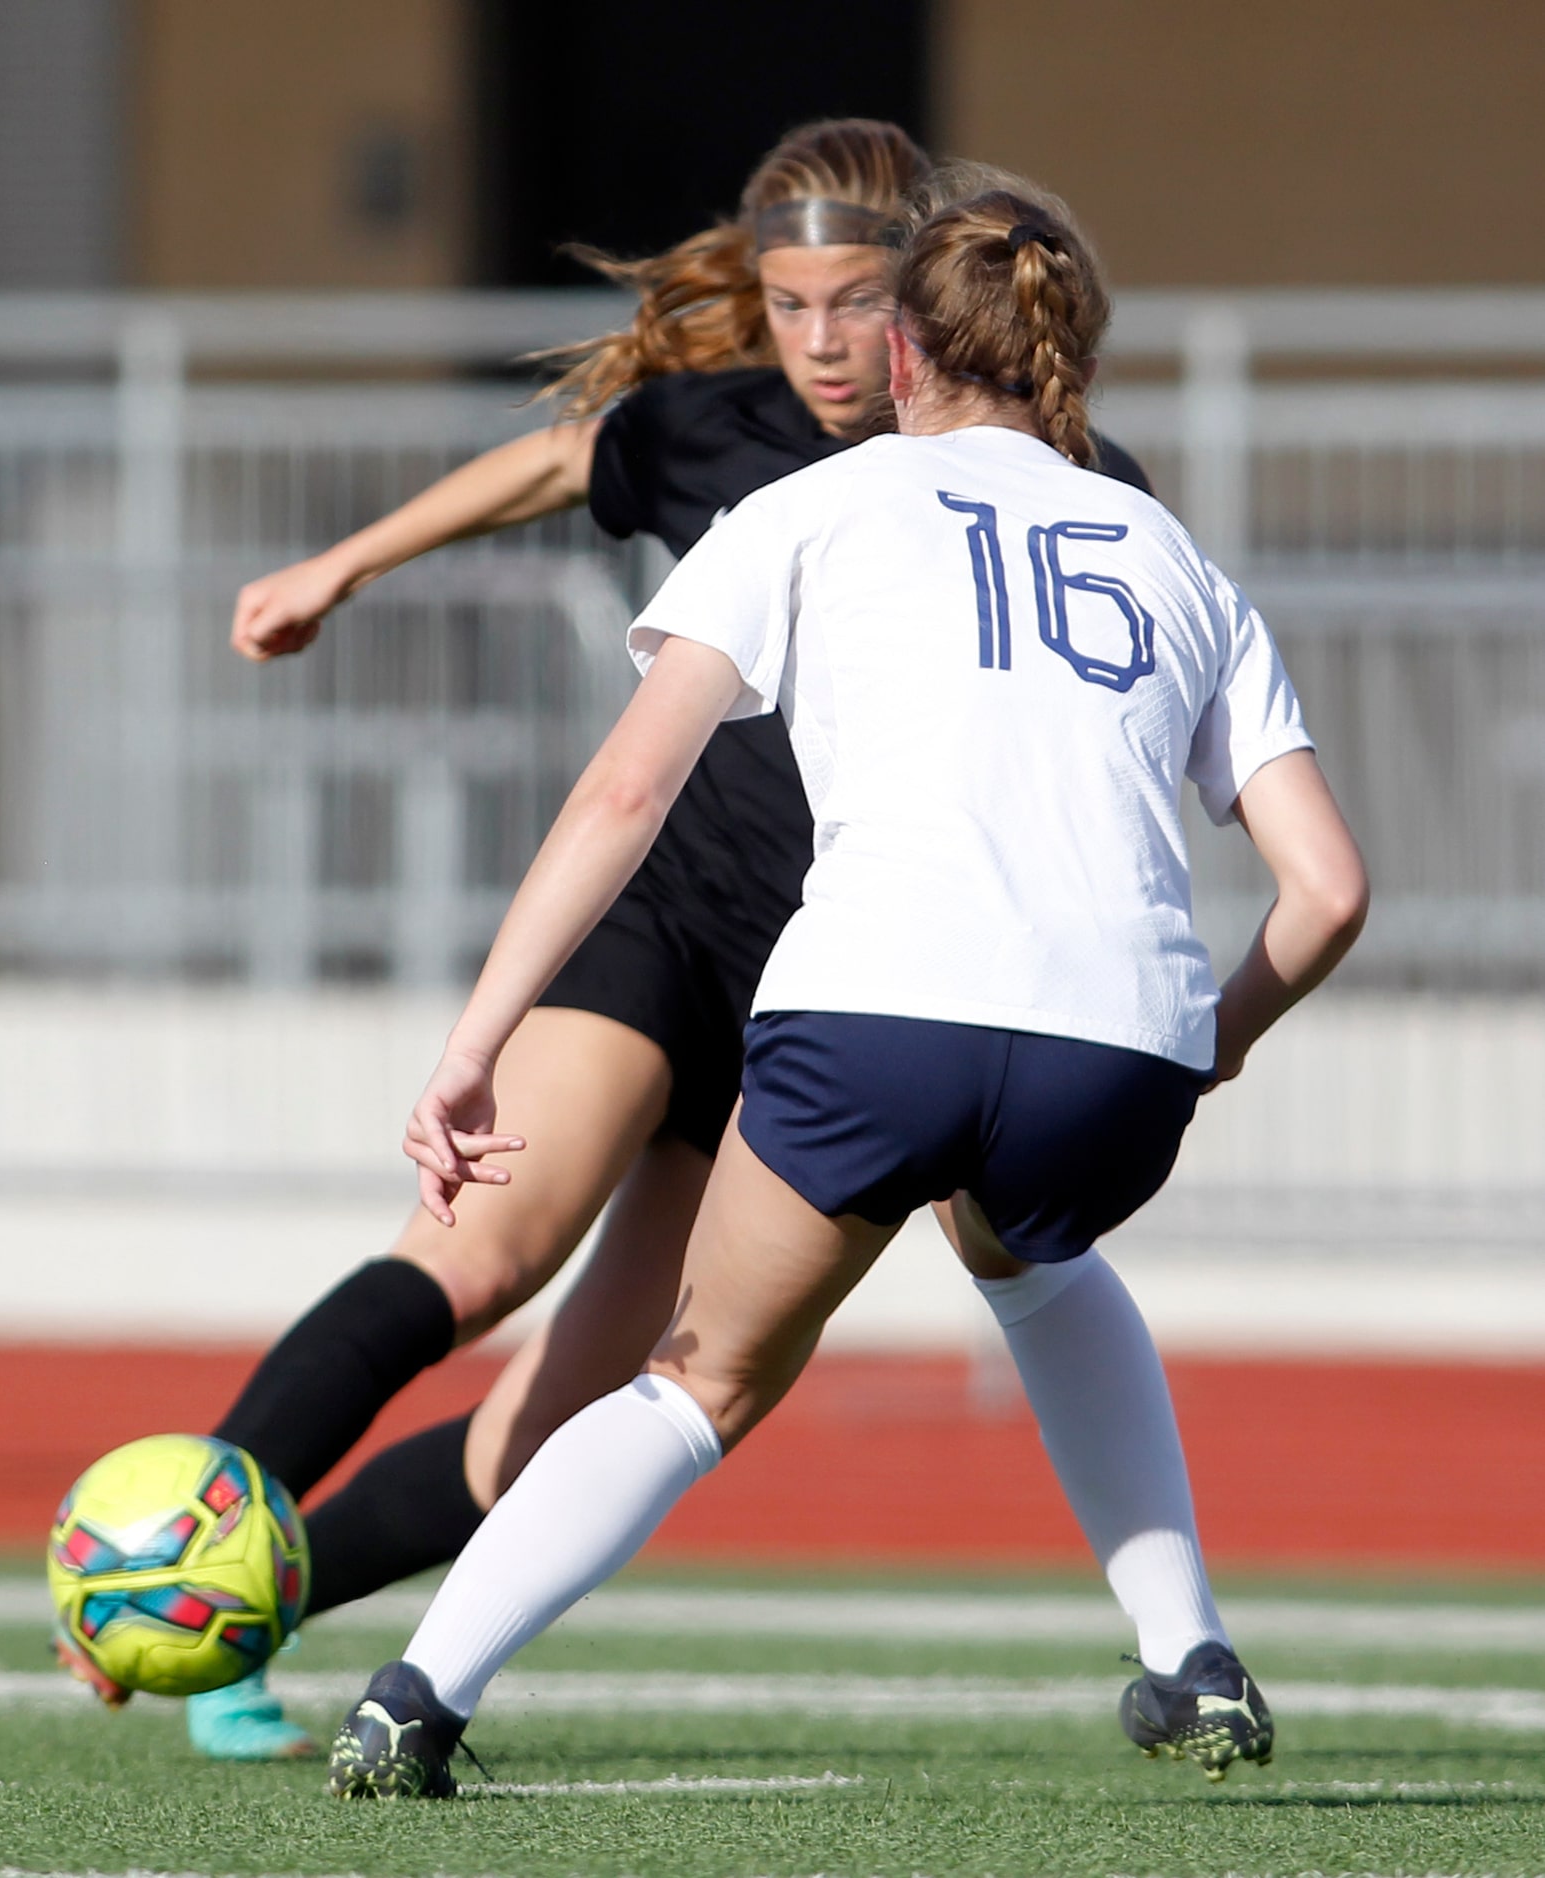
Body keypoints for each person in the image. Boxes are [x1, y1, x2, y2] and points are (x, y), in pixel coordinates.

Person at [79, 124, 1208, 1768]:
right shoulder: (714, 430)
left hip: (828, 995)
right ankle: (170, 1548)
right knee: (475, 1252)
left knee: (556, 1425)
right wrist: (343, 564)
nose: (820, 340)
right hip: (665, 932)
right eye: (788, 301)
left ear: (928, 311)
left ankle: (248, 1614)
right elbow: (545, 466)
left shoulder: (1067, 481)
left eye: (853, 302)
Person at [320, 172, 1369, 1802]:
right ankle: (1191, 1656)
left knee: (700, 1378)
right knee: (1027, 1248)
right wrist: (1210, 1041)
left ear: (899, 359)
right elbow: (1331, 889)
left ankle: (417, 1694)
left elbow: (620, 796)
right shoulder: (1168, 550)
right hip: (1123, 1044)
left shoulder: (815, 508)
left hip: (877, 1005)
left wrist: (473, 1046)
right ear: (1067, 355)